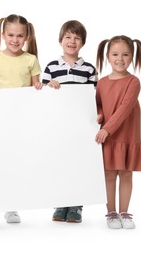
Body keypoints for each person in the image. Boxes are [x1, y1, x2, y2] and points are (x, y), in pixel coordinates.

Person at [0, 14, 43, 229]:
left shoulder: (31, 59)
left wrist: (39, 87)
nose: (15, 39)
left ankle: (12, 206)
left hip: (20, 121)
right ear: (3, 35)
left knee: (15, 163)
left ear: (26, 37)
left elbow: (35, 88)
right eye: (11, 35)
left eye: (20, 36)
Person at [42, 20, 97, 224]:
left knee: (79, 163)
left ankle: (76, 205)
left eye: (77, 38)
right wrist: (49, 85)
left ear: (82, 42)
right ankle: (61, 202)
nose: (72, 41)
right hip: (58, 125)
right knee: (60, 162)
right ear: (60, 40)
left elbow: (94, 96)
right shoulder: (51, 67)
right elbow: (42, 95)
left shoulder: (89, 69)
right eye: (68, 37)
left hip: (81, 125)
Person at [95, 35, 141, 229]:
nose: (120, 58)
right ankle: (111, 213)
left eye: (125, 54)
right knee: (109, 174)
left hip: (126, 134)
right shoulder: (101, 83)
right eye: (115, 54)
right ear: (108, 56)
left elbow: (125, 108)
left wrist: (108, 129)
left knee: (126, 174)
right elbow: (98, 105)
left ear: (132, 57)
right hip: (107, 137)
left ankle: (125, 212)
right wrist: (100, 116)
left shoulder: (133, 82)